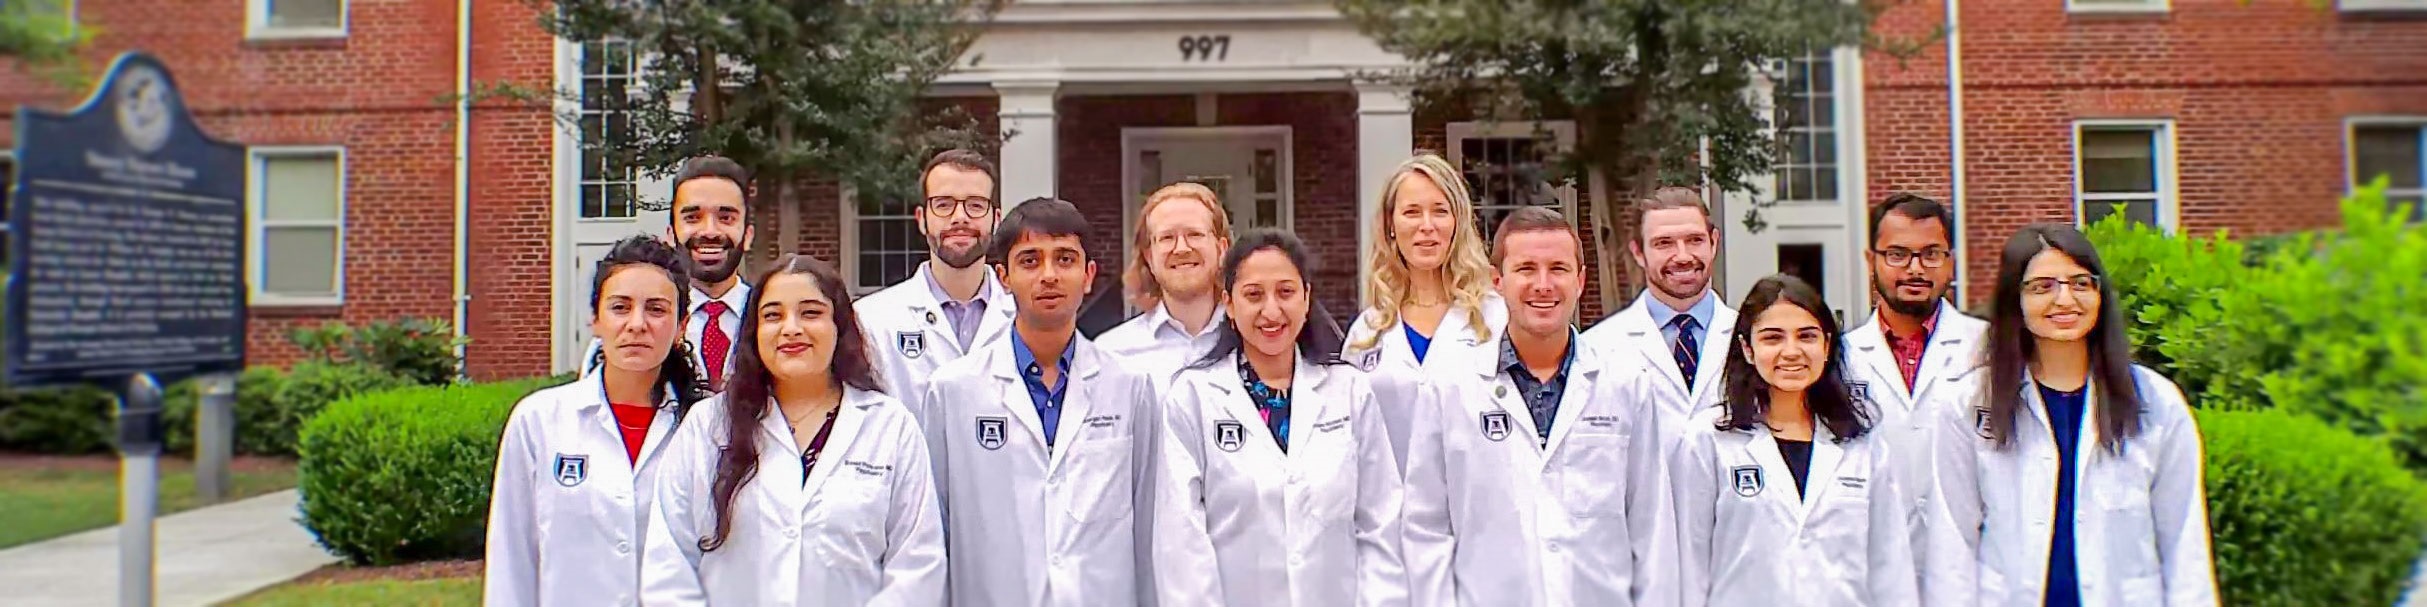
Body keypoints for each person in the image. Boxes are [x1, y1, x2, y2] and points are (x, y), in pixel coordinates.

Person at [1920, 224, 2216, 606]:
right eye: (2042, 286)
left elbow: (2184, 542)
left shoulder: (2157, 403)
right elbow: (1952, 543)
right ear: (2014, 299)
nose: (2064, 299)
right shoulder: (1968, 404)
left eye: (2080, 283)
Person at [1401, 207, 1675, 607]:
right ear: (1497, 281)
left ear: (1580, 281)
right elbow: (1425, 530)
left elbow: (1653, 528)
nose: (1543, 285)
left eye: (1558, 269)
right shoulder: (1449, 387)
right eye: (1526, 269)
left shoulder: (1625, 383)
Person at [640, 254, 945, 606]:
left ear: (840, 326)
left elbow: (916, 567)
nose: (791, 328)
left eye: (810, 313)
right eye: (773, 315)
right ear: (754, 332)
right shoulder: (707, 426)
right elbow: (670, 565)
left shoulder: (889, 427)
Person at [919, 198, 1160, 607]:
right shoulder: (953, 390)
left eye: (1065, 259)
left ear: (1088, 275)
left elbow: (1150, 525)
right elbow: (933, 531)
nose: (1049, 275)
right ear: (1004, 277)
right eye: (1030, 261)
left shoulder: (1130, 386)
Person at [1149, 229, 1406, 607]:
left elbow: (1380, 524)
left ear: (1306, 297)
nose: (1271, 311)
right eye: (1254, 295)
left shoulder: (1349, 391)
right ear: (1229, 304)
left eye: (1285, 292)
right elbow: (1181, 544)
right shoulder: (1193, 397)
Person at [485, 235, 712, 607]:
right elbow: (512, 562)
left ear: (681, 326)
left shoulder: (707, 428)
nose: (637, 324)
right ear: (595, 319)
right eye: (620, 307)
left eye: (656, 309)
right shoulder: (539, 422)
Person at [1670, 274, 1917, 607]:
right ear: (1747, 348)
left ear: (1826, 346)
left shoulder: (1862, 443)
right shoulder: (1709, 439)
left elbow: (1892, 568)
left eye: (1806, 336)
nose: (1791, 352)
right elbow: (1687, 565)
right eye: (1773, 338)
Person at [1343, 153, 1507, 470]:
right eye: (1412, 212)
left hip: (1476, 497)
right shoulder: (1366, 333)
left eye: (1440, 211)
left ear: (1458, 222)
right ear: (1390, 225)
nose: (1427, 226)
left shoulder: (1497, 319)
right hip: (1389, 501)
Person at [1842, 192, 1986, 528]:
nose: (1915, 269)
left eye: (1931, 254)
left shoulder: (1989, 349)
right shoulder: (1842, 358)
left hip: (1969, 544)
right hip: (1874, 543)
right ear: (1871, 261)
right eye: (1897, 255)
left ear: (1951, 261)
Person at [861, 149, 1017, 420]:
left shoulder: (1026, 316)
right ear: (922, 219)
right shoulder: (871, 320)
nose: (960, 217)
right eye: (944, 204)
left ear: (996, 218)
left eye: (975, 205)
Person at [585, 156, 756, 390]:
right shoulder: (621, 335)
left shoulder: (772, 320)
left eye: (726, 218)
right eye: (692, 218)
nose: (709, 231)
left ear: (748, 235)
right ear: (670, 233)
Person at [1582, 186, 1738, 423]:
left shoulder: (1751, 339)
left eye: (1695, 240)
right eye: (1664, 243)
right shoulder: (1596, 350)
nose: (1683, 257)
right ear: (1638, 253)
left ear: (1714, 243)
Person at [1096, 182, 1235, 382]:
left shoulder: (1256, 344)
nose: (1181, 248)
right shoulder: (1111, 355)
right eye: (1167, 237)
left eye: (1194, 234)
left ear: (1221, 249)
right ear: (1149, 257)